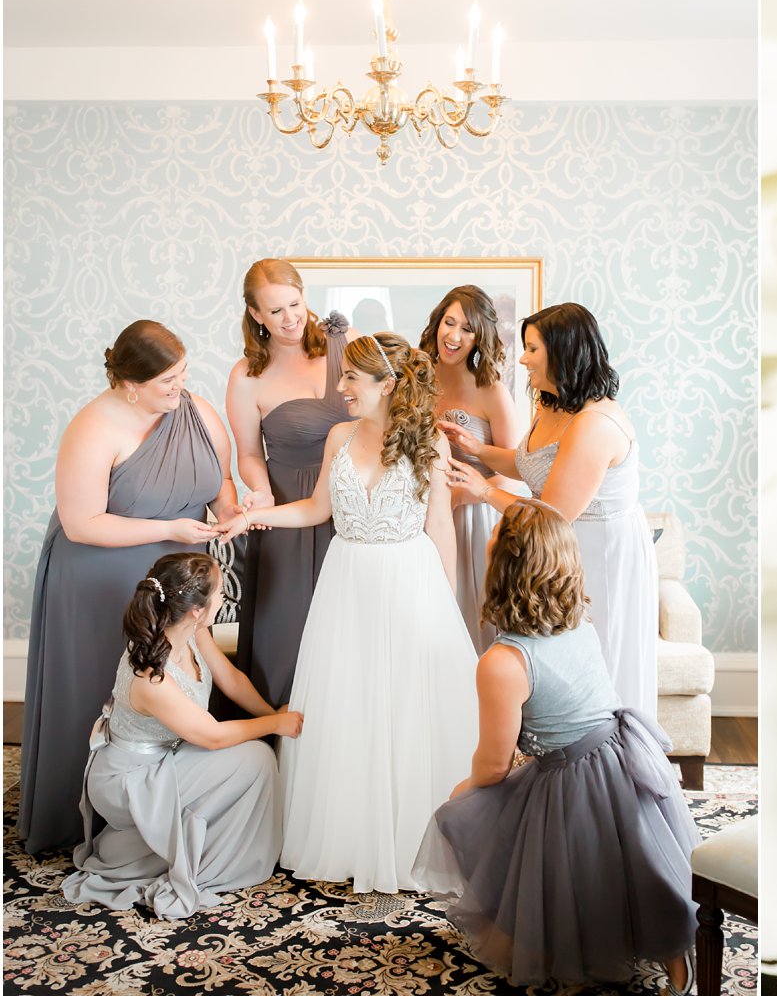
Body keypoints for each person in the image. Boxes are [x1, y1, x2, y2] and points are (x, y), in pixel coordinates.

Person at [219, 331, 477, 893]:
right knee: (350, 704)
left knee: (406, 707)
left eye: (352, 379)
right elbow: (315, 510)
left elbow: (440, 529)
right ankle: (351, 834)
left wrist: (447, 608)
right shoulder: (338, 435)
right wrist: (251, 518)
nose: (340, 388)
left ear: (387, 384)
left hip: (408, 581)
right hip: (346, 584)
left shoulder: (429, 443)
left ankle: (412, 838)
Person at [412, 499, 696, 993]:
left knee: (471, 813)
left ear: (505, 564)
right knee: (637, 856)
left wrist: (463, 789)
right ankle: (672, 950)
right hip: (625, 755)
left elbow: (496, 765)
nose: (489, 533)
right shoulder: (579, 624)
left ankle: (555, 937)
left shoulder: (503, 662)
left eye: (496, 531)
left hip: (574, 779)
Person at [20, 320, 244, 855]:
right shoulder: (94, 426)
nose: (180, 387)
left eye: (184, 373)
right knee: (99, 687)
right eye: (168, 380)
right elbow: (81, 523)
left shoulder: (196, 410)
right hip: (99, 577)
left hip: (176, 572)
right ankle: (86, 816)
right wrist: (168, 529)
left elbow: (223, 481)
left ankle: (174, 805)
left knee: (174, 687)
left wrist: (232, 510)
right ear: (130, 384)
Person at [440, 303, 657, 715]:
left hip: (600, 554)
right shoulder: (552, 405)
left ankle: (608, 762)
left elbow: (550, 514)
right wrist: (476, 448)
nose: (522, 358)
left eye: (532, 349)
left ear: (562, 352)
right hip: (563, 549)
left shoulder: (595, 424)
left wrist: (483, 490)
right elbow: (530, 462)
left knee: (601, 660)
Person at [63, 552, 301, 918]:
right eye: (220, 593)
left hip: (165, 758)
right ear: (196, 609)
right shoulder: (150, 676)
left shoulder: (193, 632)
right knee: (255, 759)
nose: (224, 599)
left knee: (254, 758)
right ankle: (199, 865)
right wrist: (275, 727)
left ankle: (170, 846)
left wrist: (274, 714)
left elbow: (232, 681)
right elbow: (212, 737)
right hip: (128, 779)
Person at [225, 258, 353, 707]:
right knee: (289, 631)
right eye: (275, 311)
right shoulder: (247, 376)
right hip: (288, 509)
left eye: (295, 304)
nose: (290, 318)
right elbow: (247, 453)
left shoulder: (349, 347)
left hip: (358, 508)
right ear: (256, 314)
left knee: (352, 629)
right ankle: (283, 742)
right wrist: (259, 491)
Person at [419, 285, 525, 654]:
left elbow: (513, 469)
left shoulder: (491, 390)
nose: (454, 336)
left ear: (480, 338)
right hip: (422, 517)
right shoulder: (415, 382)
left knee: (473, 613)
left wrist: (459, 495)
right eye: (449, 322)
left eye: (467, 329)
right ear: (437, 323)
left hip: (474, 521)